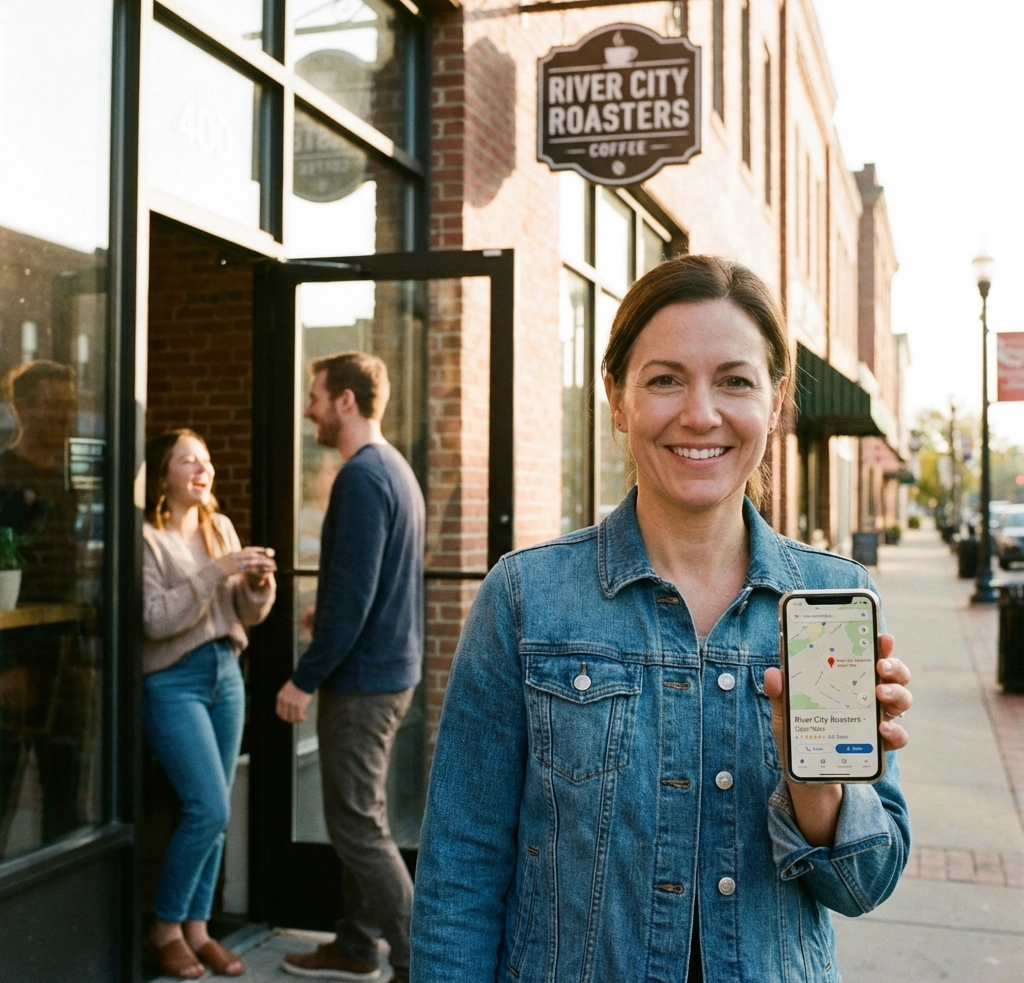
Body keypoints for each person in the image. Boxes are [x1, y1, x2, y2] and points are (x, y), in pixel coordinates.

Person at [410, 255, 914, 982]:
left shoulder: (832, 601)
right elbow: (460, 872)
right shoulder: (526, 600)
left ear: (774, 402)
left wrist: (814, 779)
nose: (700, 413)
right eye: (665, 379)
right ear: (616, 398)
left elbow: (863, 886)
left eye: (734, 381)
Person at [277, 351, 425, 983]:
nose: (308, 409)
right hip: (387, 671)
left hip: (364, 681)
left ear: (344, 400)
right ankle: (358, 946)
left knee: (357, 826)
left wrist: (303, 676)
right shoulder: (392, 468)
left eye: (314, 396)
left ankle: (421, 962)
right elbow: (370, 585)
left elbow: (355, 596)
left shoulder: (363, 477)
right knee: (364, 817)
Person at [143, 429, 276, 979]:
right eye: (188, 460)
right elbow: (155, 620)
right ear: (163, 473)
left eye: (207, 458)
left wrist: (257, 585)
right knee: (209, 808)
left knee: (217, 812)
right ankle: (165, 926)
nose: (203, 468)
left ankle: (198, 930)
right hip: (173, 680)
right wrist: (218, 571)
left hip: (227, 673)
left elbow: (246, 614)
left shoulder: (218, 526)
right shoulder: (146, 538)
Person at [0, 361, 90, 853]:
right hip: (16, 652)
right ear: (22, 409)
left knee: (65, 786)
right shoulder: (2, 473)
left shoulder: (62, 478)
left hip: (63, 654)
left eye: (69, 412)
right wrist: (5, 663)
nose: (64, 422)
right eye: (54, 410)